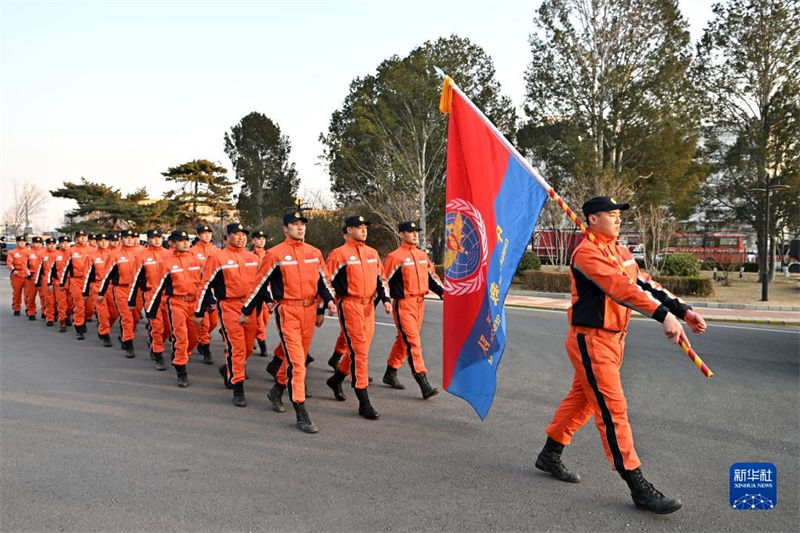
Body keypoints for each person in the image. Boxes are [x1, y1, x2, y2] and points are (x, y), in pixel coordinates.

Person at [536, 196, 707, 515]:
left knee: (584, 399)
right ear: (591, 220)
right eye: (610, 215)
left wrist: (682, 310)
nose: (617, 220)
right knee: (612, 409)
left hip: (615, 339)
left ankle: (550, 453)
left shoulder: (621, 251)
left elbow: (645, 284)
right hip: (591, 341)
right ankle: (638, 486)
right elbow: (620, 288)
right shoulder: (587, 253)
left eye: (618, 215)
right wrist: (662, 316)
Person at [239, 211, 336, 433]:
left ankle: (276, 390)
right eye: (294, 224)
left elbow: (324, 281)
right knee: (298, 363)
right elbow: (259, 284)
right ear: (285, 229)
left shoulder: (314, 253)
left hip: (309, 311)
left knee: (296, 358)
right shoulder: (275, 254)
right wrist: (246, 310)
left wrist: (328, 302)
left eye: (302, 224)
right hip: (288, 312)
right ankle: (301, 411)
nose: (300, 228)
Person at [325, 214, 391, 420]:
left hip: (368, 307)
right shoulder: (339, 254)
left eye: (365, 227)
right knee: (360, 351)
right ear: (348, 231)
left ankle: (336, 379)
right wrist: (324, 306)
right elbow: (327, 281)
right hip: (350, 304)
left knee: (359, 350)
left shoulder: (372, 253)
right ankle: (363, 400)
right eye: (358, 227)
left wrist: (386, 298)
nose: (363, 230)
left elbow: (381, 279)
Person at [195, 223, 260, 407]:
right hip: (230, 306)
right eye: (236, 234)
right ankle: (238, 387)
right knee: (237, 348)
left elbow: (261, 283)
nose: (241, 237)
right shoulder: (218, 258)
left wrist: (269, 300)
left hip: (249, 307)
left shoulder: (253, 257)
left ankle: (228, 369)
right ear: (228, 236)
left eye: (243, 234)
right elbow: (205, 285)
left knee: (248, 348)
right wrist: (200, 311)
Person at [382, 221, 445, 398]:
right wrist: (383, 300)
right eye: (410, 232)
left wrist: (444, 293)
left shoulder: (422, 256)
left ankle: (390, 372)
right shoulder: (395, 257)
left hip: (420, 303)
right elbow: (384, 281)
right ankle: (423, 381)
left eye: (416, 231)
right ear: (402, 234)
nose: (415, 234)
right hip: (404, 304)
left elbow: (432, 278)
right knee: (413, 342)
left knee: (404, 340)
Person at [148, 230, 203, 387]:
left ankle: (182, 354)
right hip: (176, 303)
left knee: (194, 337)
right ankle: (181, 369)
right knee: (181, 336)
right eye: (181, 241)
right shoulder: (167, 263)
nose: (185, 243)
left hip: (194, 302)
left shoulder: (196, 261)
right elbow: (158, 288)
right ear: (172, 243)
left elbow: (205, 282)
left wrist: (208, 301)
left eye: (187, 240)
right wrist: (152, 310)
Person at [129, 229, 172, 370]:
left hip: (167, 295)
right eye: (153, 238)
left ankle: (154, 342)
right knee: (157, 326)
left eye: (159, 237)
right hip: (151, 295)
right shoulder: (142, 256)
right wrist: (132, 299)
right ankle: (158, 353)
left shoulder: (169, 254)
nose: (157, 240)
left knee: (168, 326)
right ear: (148, 239)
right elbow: (135, 279)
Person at [98, 229, 142, 357]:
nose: (129, 240)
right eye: (126, 237)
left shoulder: (140, 253)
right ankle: (129, 344)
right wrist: (101, 292)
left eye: (132, 237)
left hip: (137, 289)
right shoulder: (115, 255)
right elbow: (107, 275)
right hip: (121, 289)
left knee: (136, 317)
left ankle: (125, 335)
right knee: (127, 317)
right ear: (121, 239)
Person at [82, 233, 118, 347]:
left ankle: (105, 326)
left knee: (114, 313)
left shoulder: (114, 255)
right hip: (97, 286)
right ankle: (105, 333)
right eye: (101, 240)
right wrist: (85, 291)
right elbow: (87, 274)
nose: (104, 243)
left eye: (106, 240)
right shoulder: (92, 256)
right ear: (97, 242)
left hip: (111, 287)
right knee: (103, 313)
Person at [190, 224, 218, 364]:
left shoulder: (216, 250)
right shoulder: (193, 251)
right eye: (204, 233)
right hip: (200, 290)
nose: (207, 235)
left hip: (213, 291)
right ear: (198, 235)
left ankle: (201, 340)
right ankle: (205, 348)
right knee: (204, 323)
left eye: (209, 233)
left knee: (214, 322)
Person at [62, 230, 93, 339]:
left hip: (89, 281)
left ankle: (84, 319)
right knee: (79, 305)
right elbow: (65, 267)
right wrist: (63, 282)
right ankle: (79, 327)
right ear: (76, 239)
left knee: (89, 306)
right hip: (76, 280)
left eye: (84, 236)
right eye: (80, 237)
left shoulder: (93, 250)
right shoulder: (71, 251)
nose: (82, 238)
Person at [250, 229, 270, 357]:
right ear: (253, 240)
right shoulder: (250, 256)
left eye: (263, 238)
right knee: (258, 321)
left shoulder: (270, 254)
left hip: (268, 292)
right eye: (258, 238)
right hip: (255, 292)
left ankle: (255, 337)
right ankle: (262, 343)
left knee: (265, 320)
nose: (261, 241)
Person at [52, 236, 74, 332]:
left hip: (72, 282)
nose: (65, 244)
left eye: (67, 242)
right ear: (59, 243)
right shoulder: (55, 254)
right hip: (59, 281)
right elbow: (51, 269)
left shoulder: (74, 253)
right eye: (63, 242)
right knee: (61, 302)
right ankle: (62, 321)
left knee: (71, 303)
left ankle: (68, 315)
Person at [38, 237, 59, 326]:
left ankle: (59, 314)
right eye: (49, 244)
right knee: (49, 299)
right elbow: (39, 269)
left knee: (60, 299)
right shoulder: (42, 255)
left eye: (53, 244)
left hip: (58, 278)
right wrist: (37, 281)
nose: (51, 246)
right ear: (46, 245)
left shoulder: (60, 254)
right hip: (46, 278)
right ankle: (49, 317)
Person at [7, 235, 29, 316]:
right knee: (17, 293)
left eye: (23, 242)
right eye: (20, 242)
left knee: (28, 293)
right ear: (17, 242)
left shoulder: (29, 252)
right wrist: (13, 270)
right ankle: (16, 308)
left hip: (27, 274)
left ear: (25, 242)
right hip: (17, 274)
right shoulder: (12, 252)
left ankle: (29, 309)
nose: (22, 243)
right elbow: (9, 262)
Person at [24, 237, 45, 320]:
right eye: (36, 243)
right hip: (31, 276)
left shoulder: (45, 252)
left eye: (39, 243)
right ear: (32, 243)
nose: (38, 244)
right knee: (31, 296)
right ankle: (31, 312)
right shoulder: (28, 252)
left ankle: (44, 312)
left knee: (44, 296)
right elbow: (24, 264)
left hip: (42, 276)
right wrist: (28, 274)